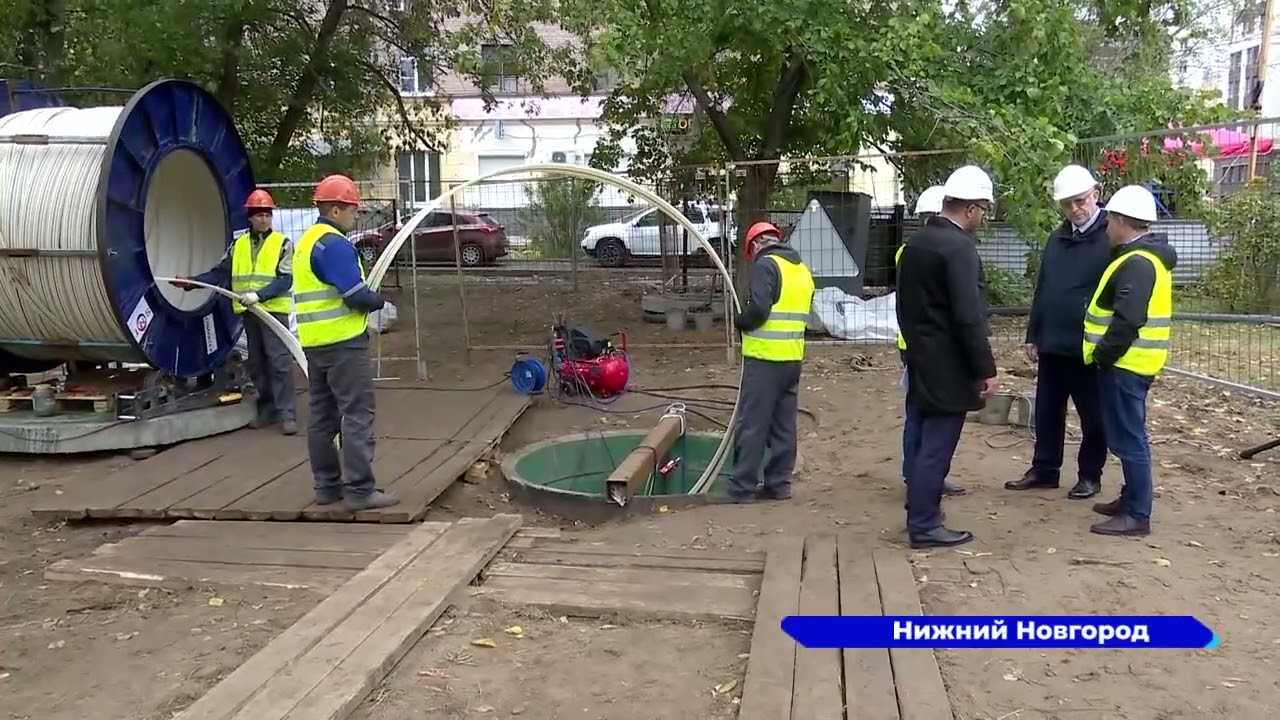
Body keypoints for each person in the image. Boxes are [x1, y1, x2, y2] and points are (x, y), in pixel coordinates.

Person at [896, 165, 999, 548]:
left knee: (922, 440)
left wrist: (914, 350)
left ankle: (920, 512)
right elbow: (967, 315)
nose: (983, 218)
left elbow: (904, 307)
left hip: (920, 358)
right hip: (949, 365)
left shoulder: (916, 244)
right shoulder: (959, 249)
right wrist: (984, 368)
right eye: (983, 210)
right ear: (970, 209)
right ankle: (924, 524)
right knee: (937, 448)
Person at [293, 174, 398, 511]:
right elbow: (354, 295)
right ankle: (360, 490)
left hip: (315, 344)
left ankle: (326, 487)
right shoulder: (335, 244)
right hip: (343, 344)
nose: (356, 215)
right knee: (356, 414)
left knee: (322, 417)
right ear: (336, 209)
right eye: (353, 209)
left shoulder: (308, 241)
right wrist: (380, 303)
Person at [1006, 165, 1111, 499]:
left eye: (1080, 201)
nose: (1074, 209)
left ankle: (1090, 475)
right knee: (1048, 411)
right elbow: (1044, 288)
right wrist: (1033, 333)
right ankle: (1044, 469)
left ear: (1096, 194)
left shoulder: (1112, 236)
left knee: (1094, 416)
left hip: (1088, 345)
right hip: (1052, 342)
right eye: (1067, 204)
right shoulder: (1058, 237)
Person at [1082, 185, 1176, 537]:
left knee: (1129, 439)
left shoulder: (1138, 263)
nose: (1106, 227)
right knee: (1126, 435)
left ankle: (1137, 513)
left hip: (1125, 365)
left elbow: (1128, 319)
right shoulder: (1144, 258)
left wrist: (1104, 356)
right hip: (1132, 364)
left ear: (1122, 221)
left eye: (1110, 220)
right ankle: (1129, 499)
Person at [173, 189, 297, 435]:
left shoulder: (283, 244)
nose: (264, 219)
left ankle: (287, 414)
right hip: (249, 313)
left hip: (272, 313)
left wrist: (260, 296)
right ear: (249, 217)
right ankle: (267, 409)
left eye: (267, 215)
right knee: (257, 364)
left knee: (280, 363)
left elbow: (285, 280)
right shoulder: (238, 245)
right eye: (259, 215)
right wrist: (192, 282)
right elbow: (220, 273)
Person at [726, 221, 815, 503]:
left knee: (753, 423)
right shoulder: (801, 269)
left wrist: (741, 322)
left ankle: (742, 488)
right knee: (783, 425)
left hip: (765, 358)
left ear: (754, 245)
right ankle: (779, 485)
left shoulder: (767, 265)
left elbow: (760, 311)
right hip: (792, 359)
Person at [897, 184, 964, 496]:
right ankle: (920, 479)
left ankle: (920, 477)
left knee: (918, 415)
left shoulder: (911, 249)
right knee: (926, 418)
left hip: (913, 345)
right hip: (930, 350)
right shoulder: (939, 250)